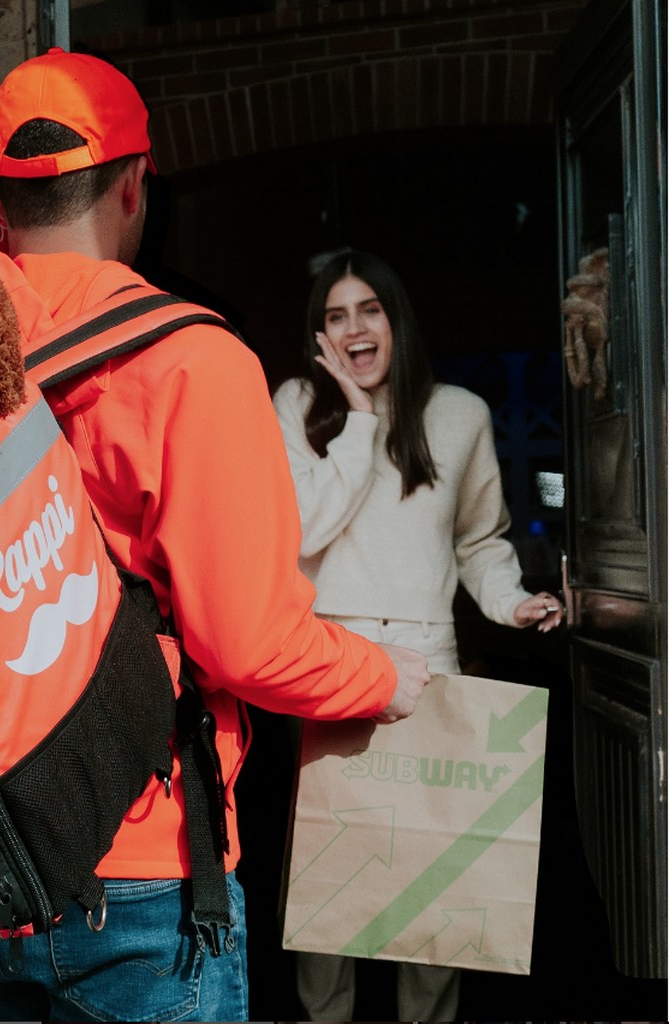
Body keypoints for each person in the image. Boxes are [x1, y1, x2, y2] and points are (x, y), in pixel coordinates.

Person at [0, 49, 431, 1022]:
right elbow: (250, 644)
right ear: (135, 186)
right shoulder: (192, 360)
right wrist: (386, 678)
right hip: (136, 870)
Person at [272, 247, 564, 1023]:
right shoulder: (296, 404)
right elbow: (302, 532)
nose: (355, 330)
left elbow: (479, 541)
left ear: (396, 319)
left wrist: (512, 603)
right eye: (336, 317)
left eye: (369, 310)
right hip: (330, 664)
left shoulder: (461, 414)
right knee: (330, 883)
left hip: (430, 665)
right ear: (319, 335)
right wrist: (359, 422)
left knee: (438, 884)